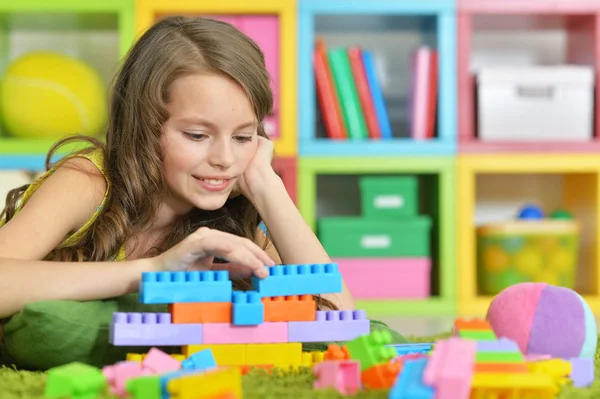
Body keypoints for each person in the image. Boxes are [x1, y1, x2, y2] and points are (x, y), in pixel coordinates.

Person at [0, 16, 408, 370]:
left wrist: (269, 190)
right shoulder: (89, 181)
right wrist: (154, 271)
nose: (225, 159)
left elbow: (342, 321)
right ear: (145, 127)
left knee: (375, 332)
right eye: (197, 135)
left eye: (244, 136)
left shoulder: (238, 207)